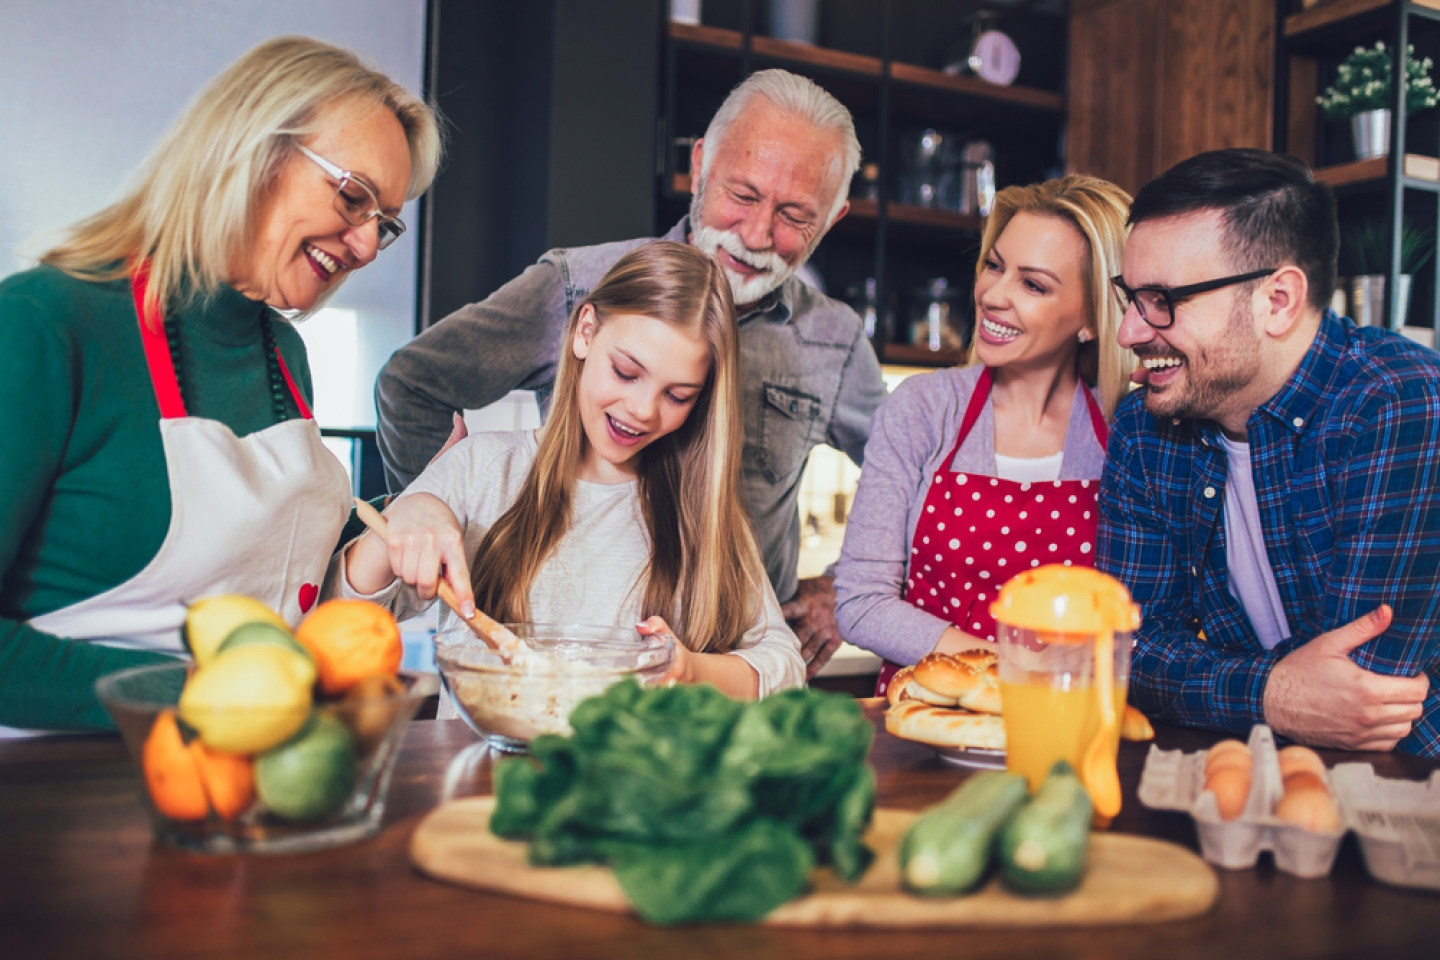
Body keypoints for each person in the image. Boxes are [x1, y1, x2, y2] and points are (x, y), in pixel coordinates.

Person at [373, 69, 887, 679]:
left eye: (794, 216)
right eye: (743, 196)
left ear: (831, 219)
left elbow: (908, 475)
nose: (756, 235)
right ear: (700, 166)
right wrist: (433, 512)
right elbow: (412, 384)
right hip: (541, 664)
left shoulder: (836, 340)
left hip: (719, 674)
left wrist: (842, 589)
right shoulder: (574, 285)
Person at [0, 36, 441, 732]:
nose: (362, 246)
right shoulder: (44, 324)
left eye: (383, 225)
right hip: (55, 800)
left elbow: (274, 604)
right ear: (252, 151)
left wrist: (400, 531)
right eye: (353, 197)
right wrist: (207, 702)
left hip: (248, 791)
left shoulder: (285, 355)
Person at [332, 242, 804, 698]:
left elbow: (785, 665)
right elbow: (335, 615)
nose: (642, 409)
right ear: (585, 332)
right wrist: (406, 516)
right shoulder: (480, 472)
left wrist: (693, 670)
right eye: (626, 372)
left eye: (677, 396)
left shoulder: (701, 509)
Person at [1098, 148, 1437, 756]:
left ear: (1277, 300)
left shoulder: (1399, 403)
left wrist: (1209, 678)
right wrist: (1273, 693)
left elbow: (1359, 698)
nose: (1130, 332)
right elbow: (1123, 653)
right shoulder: (1144, 426)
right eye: (1131, 296)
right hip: (1254, 781)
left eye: (1162, 301)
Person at [834, 176, 1135, 693]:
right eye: (995, 266)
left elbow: (1140, 614)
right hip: (928, 719)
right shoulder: (924, 410)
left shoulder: (1125, 432)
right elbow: (862, 605)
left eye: (1033, 284)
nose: (993, 295)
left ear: (1091, 318)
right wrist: (1011, 666)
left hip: (1064, 721)